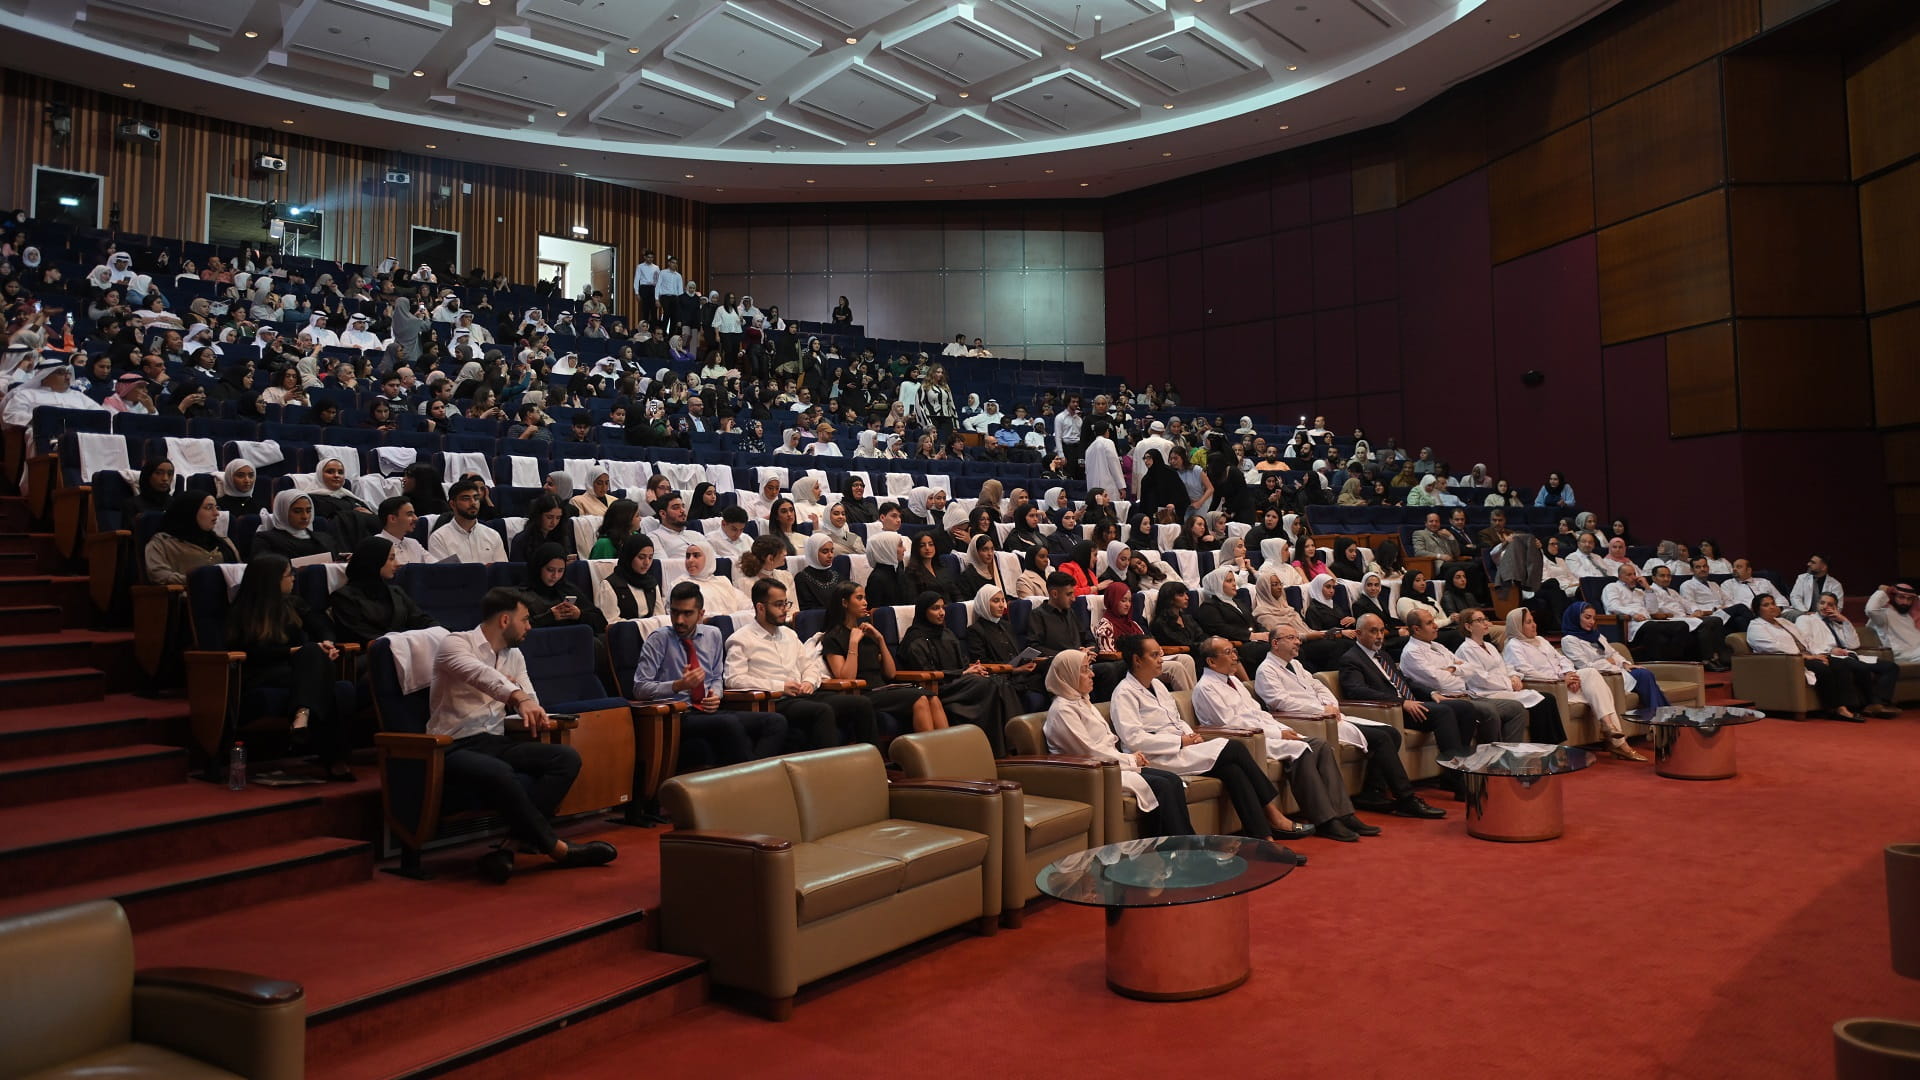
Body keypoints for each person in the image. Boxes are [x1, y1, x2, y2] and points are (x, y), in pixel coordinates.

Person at [431, 588, 618, 882]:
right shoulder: (455, 643)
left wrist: (527, 702)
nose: (530, 627)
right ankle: (557, 849)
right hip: (451, 745)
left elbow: (530, 700)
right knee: (501, 772)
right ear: (505, 620)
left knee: (565, 758)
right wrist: (515, 694)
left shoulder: (514, 655)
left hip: (494, 740)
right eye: (525, 620)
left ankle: (509, 847)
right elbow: (481, 675)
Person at [1109, 635, 1311, 840]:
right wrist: (1180, 741)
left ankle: (1262, 837)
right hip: (1158, 757)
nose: (1161, 659)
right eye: (1154, 655)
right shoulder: (1124, 693)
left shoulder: (1159, 686)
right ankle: (1273, 814)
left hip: (1183, 748)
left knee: (1233, 771)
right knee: (1235, 748)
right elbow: (1133, 739)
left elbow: (1176, 719)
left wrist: (1190, 734)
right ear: (1137, 660)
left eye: (1160, 654)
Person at [1191, 636, 1370, 842]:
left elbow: (1260, 713)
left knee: (1321, 745)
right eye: (1228, 653)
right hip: (1248, 741)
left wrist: (1284, 729)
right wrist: (1277, 734)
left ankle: (1344, 813)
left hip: (1268, 732)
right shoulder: (1206, 688)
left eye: (1234, 651)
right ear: (1211, 662)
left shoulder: (1235, 683)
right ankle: (1325, 820)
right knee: (1302, 751)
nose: (1235, 657)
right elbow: (1232, 725)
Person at [1256, 625, 1443, 819]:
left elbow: (1318, 686)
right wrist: (1321, 710)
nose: (1298, 642)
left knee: (1391, 733)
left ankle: (1372, 791)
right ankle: (1406, 798)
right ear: (1275, 643)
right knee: (1380, 738)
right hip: (1308, 721)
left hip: (1330, 715)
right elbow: (1280, 701)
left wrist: (1331, 704)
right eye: (1291, 638)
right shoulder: (1266, 670)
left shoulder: (1296, 665)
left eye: (1297, 637)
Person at [226, 554, 353, 781]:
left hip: (297, 669)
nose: (293, 579)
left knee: (316, 653)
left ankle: (302, 715)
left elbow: (322, 626)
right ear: (271, 580)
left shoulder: (294, 603)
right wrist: (292, 652)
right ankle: (335, 761)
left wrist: (328, 643)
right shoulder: (244, 610)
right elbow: (251, 653)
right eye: (288, 575)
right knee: (327, 680)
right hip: (262, 673)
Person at [632, 582, 787, 768]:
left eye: (687, 613)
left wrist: (715, 695)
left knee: (775, 721)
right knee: (728, 724)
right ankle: (752, 781)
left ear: (701, 614)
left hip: (708, 710)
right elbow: (639, 688)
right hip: (679, 715)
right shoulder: (659, 639)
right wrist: (678, 685)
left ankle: (756, 776)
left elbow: (715, 678)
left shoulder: (712, 635)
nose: (679, 620)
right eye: (674, 612)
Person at [1043, 648, 1194, 837]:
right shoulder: (1062, 711)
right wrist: (1129, 760)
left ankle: (1183, 843)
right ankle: (1177, 846)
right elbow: (1088, 751)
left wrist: (1127, 759)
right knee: (1162, 785)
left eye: (1089, 668)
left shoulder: (1081, 700)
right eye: (1083, 670)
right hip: (1092, 772)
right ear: (1068, 674)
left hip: (1111, 764)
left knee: (1171, 779)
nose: (1092, 674)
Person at [1338, 614, 1490, 794]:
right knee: (1443, 713)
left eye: (1381, 631)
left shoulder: (1383, 655)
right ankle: (1456, 779)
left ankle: (1453, 772)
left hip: (1411, 703)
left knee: (1464, 708)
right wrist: (1402, 703)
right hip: (1391, 711)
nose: (1379, 636)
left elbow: (1404, 681)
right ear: (1358, 633)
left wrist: (1432, 694)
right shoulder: (1351, 659)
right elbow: (1357, 691)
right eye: (1373, 631)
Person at [725, 578, 880, 747]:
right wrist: (779, 686)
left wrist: (809, 682)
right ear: (760, 607)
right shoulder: (741, 639)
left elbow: (809, 666)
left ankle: (874, 763)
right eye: (778, 605)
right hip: (775, 701)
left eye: (786, 603)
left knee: (861, 703)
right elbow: (733, 679)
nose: (785, 610)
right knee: (822, 711)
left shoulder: (789, 634)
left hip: (804, 694)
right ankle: (830, 771)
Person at [1502, 607, 1644, 759]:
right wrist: (1562, 680)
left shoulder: (1541, 640)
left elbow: (1562, 659)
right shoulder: (1514, 646)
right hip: (1552, 687)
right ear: (1517, 626)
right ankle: (1619, 743)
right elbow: (1528, 673)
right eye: (1528, 622)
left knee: (1591, 674)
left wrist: (1570, 673)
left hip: (1565, 682)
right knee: (1601, 694)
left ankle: (1609, 727)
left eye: (1533, 621)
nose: (1534, 625)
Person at [899, 592, 1024, 754]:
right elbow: (926, 672)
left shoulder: (947, 633)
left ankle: (1009, 744)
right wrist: (963, 673)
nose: (942, 612)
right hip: (939, 688)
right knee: (987, 683)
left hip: (960, 683)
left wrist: (974, 668)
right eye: (935, 608)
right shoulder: (914, 639)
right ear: (924, 611)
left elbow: (964, 663)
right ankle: (995, 747)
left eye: (943, 608)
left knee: (998, 682)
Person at [1398, 607, 1529, 747]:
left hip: (1466, 695)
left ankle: (1509, 756)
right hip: (1445, 700)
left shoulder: (1437, 646)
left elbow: (1469, 669)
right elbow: (1441, 682)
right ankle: (1489, 761)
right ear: (1417, 629)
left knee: (1516, 708)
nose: (1436, 626)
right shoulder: (1412, 653)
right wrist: (1458, 670)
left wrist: (1451, 669)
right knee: (1488, 712)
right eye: (1430, 623)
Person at [1745, 594, 1874, 721]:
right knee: (1823, 669)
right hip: (1790, 660)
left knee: (1840, 664)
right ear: (1757, 609)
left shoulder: (1783, 621)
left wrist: (1817, 654)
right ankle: (1836, 708)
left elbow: (1804, 639)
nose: (1772, 607)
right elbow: (1772, 647)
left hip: (1808, 654)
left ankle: (1850, 706)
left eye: (1773, 603)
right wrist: (1806, 657)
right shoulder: (1756, 626)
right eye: (1766, 605)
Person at [1453, 608, 1565, 743]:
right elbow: (1480, 679)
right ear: (1468, 626)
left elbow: (1505, 666)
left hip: (1502, 689)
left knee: (1547, 698)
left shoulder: (1489, 646)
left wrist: (1514, 676)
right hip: (1486, 693)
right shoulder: (1465, 650)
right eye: (1480, 620)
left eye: (1485, 619)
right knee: (1543, 700)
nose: (1485, 623)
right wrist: (1508, 683)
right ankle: (1543, 747)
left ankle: (1553, 746)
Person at [1796, 592, 1900, 717]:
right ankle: (1873, 703)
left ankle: (1880, 703)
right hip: (1831, 657)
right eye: (1822, 603)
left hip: (1849, 655)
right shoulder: (1806, 620)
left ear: (1836, 608)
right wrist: (1829, 651)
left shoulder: (1836, 622)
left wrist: (1844, 621)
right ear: (1817, 605)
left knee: (1891, 667)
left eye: (1830, 604)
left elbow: (1853, 645)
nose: (1825, 606)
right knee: (1862, 668)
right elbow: (1805, 641)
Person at [1558, 602, 1668, 710]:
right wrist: (1608, 662)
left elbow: (1613, 653)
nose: (1592, 622)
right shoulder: (1569, 640)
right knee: (1644, 676)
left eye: (1593, 618)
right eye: (1587, 618)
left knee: (1645, 674)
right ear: (1575, 617)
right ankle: (1661, 715)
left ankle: (1661, 714)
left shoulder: (1596, 635)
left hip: (1615, 670)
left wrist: (1625, 664)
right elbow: (1585, 666)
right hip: (1601, 676)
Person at [328, 536, 434, 645]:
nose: (397, 564)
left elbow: (420, 619)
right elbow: (361, 635)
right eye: (391, 558)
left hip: (405, 648)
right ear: (375, 561)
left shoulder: (396, 591)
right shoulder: (343, 597)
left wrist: (440, 631)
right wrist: (405, 642)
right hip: (371, 656)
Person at [1095, 581, 1195, 690]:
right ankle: (1188, 703)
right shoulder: (1106, 626)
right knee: (1176, 667)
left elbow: (1146, 643)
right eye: (1123, 601)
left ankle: (1193, 698)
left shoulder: (1133, 624)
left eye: (1129, 601)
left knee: (1186, 659)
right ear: (1112, 601)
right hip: (1132, 664)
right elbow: (1110, 655)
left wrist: (1156, 651)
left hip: (1147, 659)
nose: (1128, 604)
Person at [144, 491, 240, 585]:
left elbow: (239, 572)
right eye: (209, 507)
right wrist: (199, 581)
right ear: (190, 511)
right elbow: (159, 575)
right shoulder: (162, 542)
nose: (216, 513)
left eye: (216, 507)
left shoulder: (223, 541)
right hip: (186, 597)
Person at [1193, 567, 1269, 672]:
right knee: (1273, 649)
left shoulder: (1239, 602)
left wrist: (1266, 633)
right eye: (1229, 581)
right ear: (1217, 584)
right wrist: (1251, 636)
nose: (1234, 584)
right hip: (1237, 647)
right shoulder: (1209, 607)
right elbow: (1221, 630)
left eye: (1234, 580)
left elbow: (1254, 622)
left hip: (1254, 643)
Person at [427, 479, 507, 564]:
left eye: (476, 498)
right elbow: (444, 574)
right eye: (466, 499)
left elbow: (502, 571)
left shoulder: (493, 535)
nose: (473, 503)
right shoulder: (439, 538)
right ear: (452, 504)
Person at [254, 491, 332, 560]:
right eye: (297, 511)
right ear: (283, 512)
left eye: (308, 511)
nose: (305, 516)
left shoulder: (324, 538)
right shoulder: (266, 539)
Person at [680, 541, 746, 615]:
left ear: (709, 558)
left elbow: (745, 603)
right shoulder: (681, 584)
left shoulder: (722, 581)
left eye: (696, 555)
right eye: (688, 556)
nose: (690, 560)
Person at [1864, 583, 1920, 664]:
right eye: (1901, 597)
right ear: (1893, 597)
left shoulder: (1911, 614)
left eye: (1909, 599)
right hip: (1902, 655)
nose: (1905, 602)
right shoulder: (1883, 614)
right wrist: (1882, 591)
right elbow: (1870, 610)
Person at [794, 532, 841, 611]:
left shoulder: (836, 575)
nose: (830, 556)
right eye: (825, 552)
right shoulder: (802, 579)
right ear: (813, 552)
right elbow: (807, 610)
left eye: (832, 551)